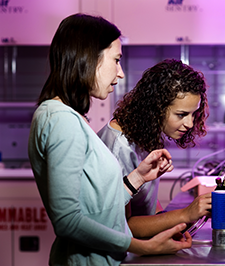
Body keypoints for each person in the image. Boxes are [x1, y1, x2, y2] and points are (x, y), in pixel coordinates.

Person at [28, 13, 192, 266]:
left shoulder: (70, 118)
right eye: (116, 60)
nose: (121, 73)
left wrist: (139, 177)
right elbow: (67, 221)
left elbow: (97, 209)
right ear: (89, 57)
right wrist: (143, 247)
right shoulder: (59, 119)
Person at [97, 59, 211, 238]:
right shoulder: (119, 146)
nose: (190, 123)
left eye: (194, 114)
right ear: (155, 108)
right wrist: (184, 215)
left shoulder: (146, 130)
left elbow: (145, 199)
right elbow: (122, 226)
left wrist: (164, 223)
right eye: (181, 115)